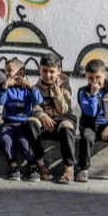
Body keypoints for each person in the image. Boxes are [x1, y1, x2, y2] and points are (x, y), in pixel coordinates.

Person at [25, 54, 78, 183]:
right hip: (44, 122)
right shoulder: (35, 88)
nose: (48, 75)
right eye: (44, 71)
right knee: (30, 123)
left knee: (67, 126)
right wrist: (43, 117)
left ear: (59, 70)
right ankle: (42, 165)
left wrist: (58, 93)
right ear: (39, 69)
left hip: (62, 119)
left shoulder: (65, 86)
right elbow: (35, 107)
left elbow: (64, 110)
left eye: (52, 72)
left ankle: (69, 168)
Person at [0, 58, 43, 181]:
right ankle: (15, 167)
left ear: (20, 73)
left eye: (9, 70)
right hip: (8, 124)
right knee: (6, 140)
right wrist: (5, 86)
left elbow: (38, 101)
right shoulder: (6, 87)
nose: (6, 74)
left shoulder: (27, 88)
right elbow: (0, 100)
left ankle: (33, 166)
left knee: (24, 141)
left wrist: (31, 86)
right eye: (5, 71)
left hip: (23, 124)